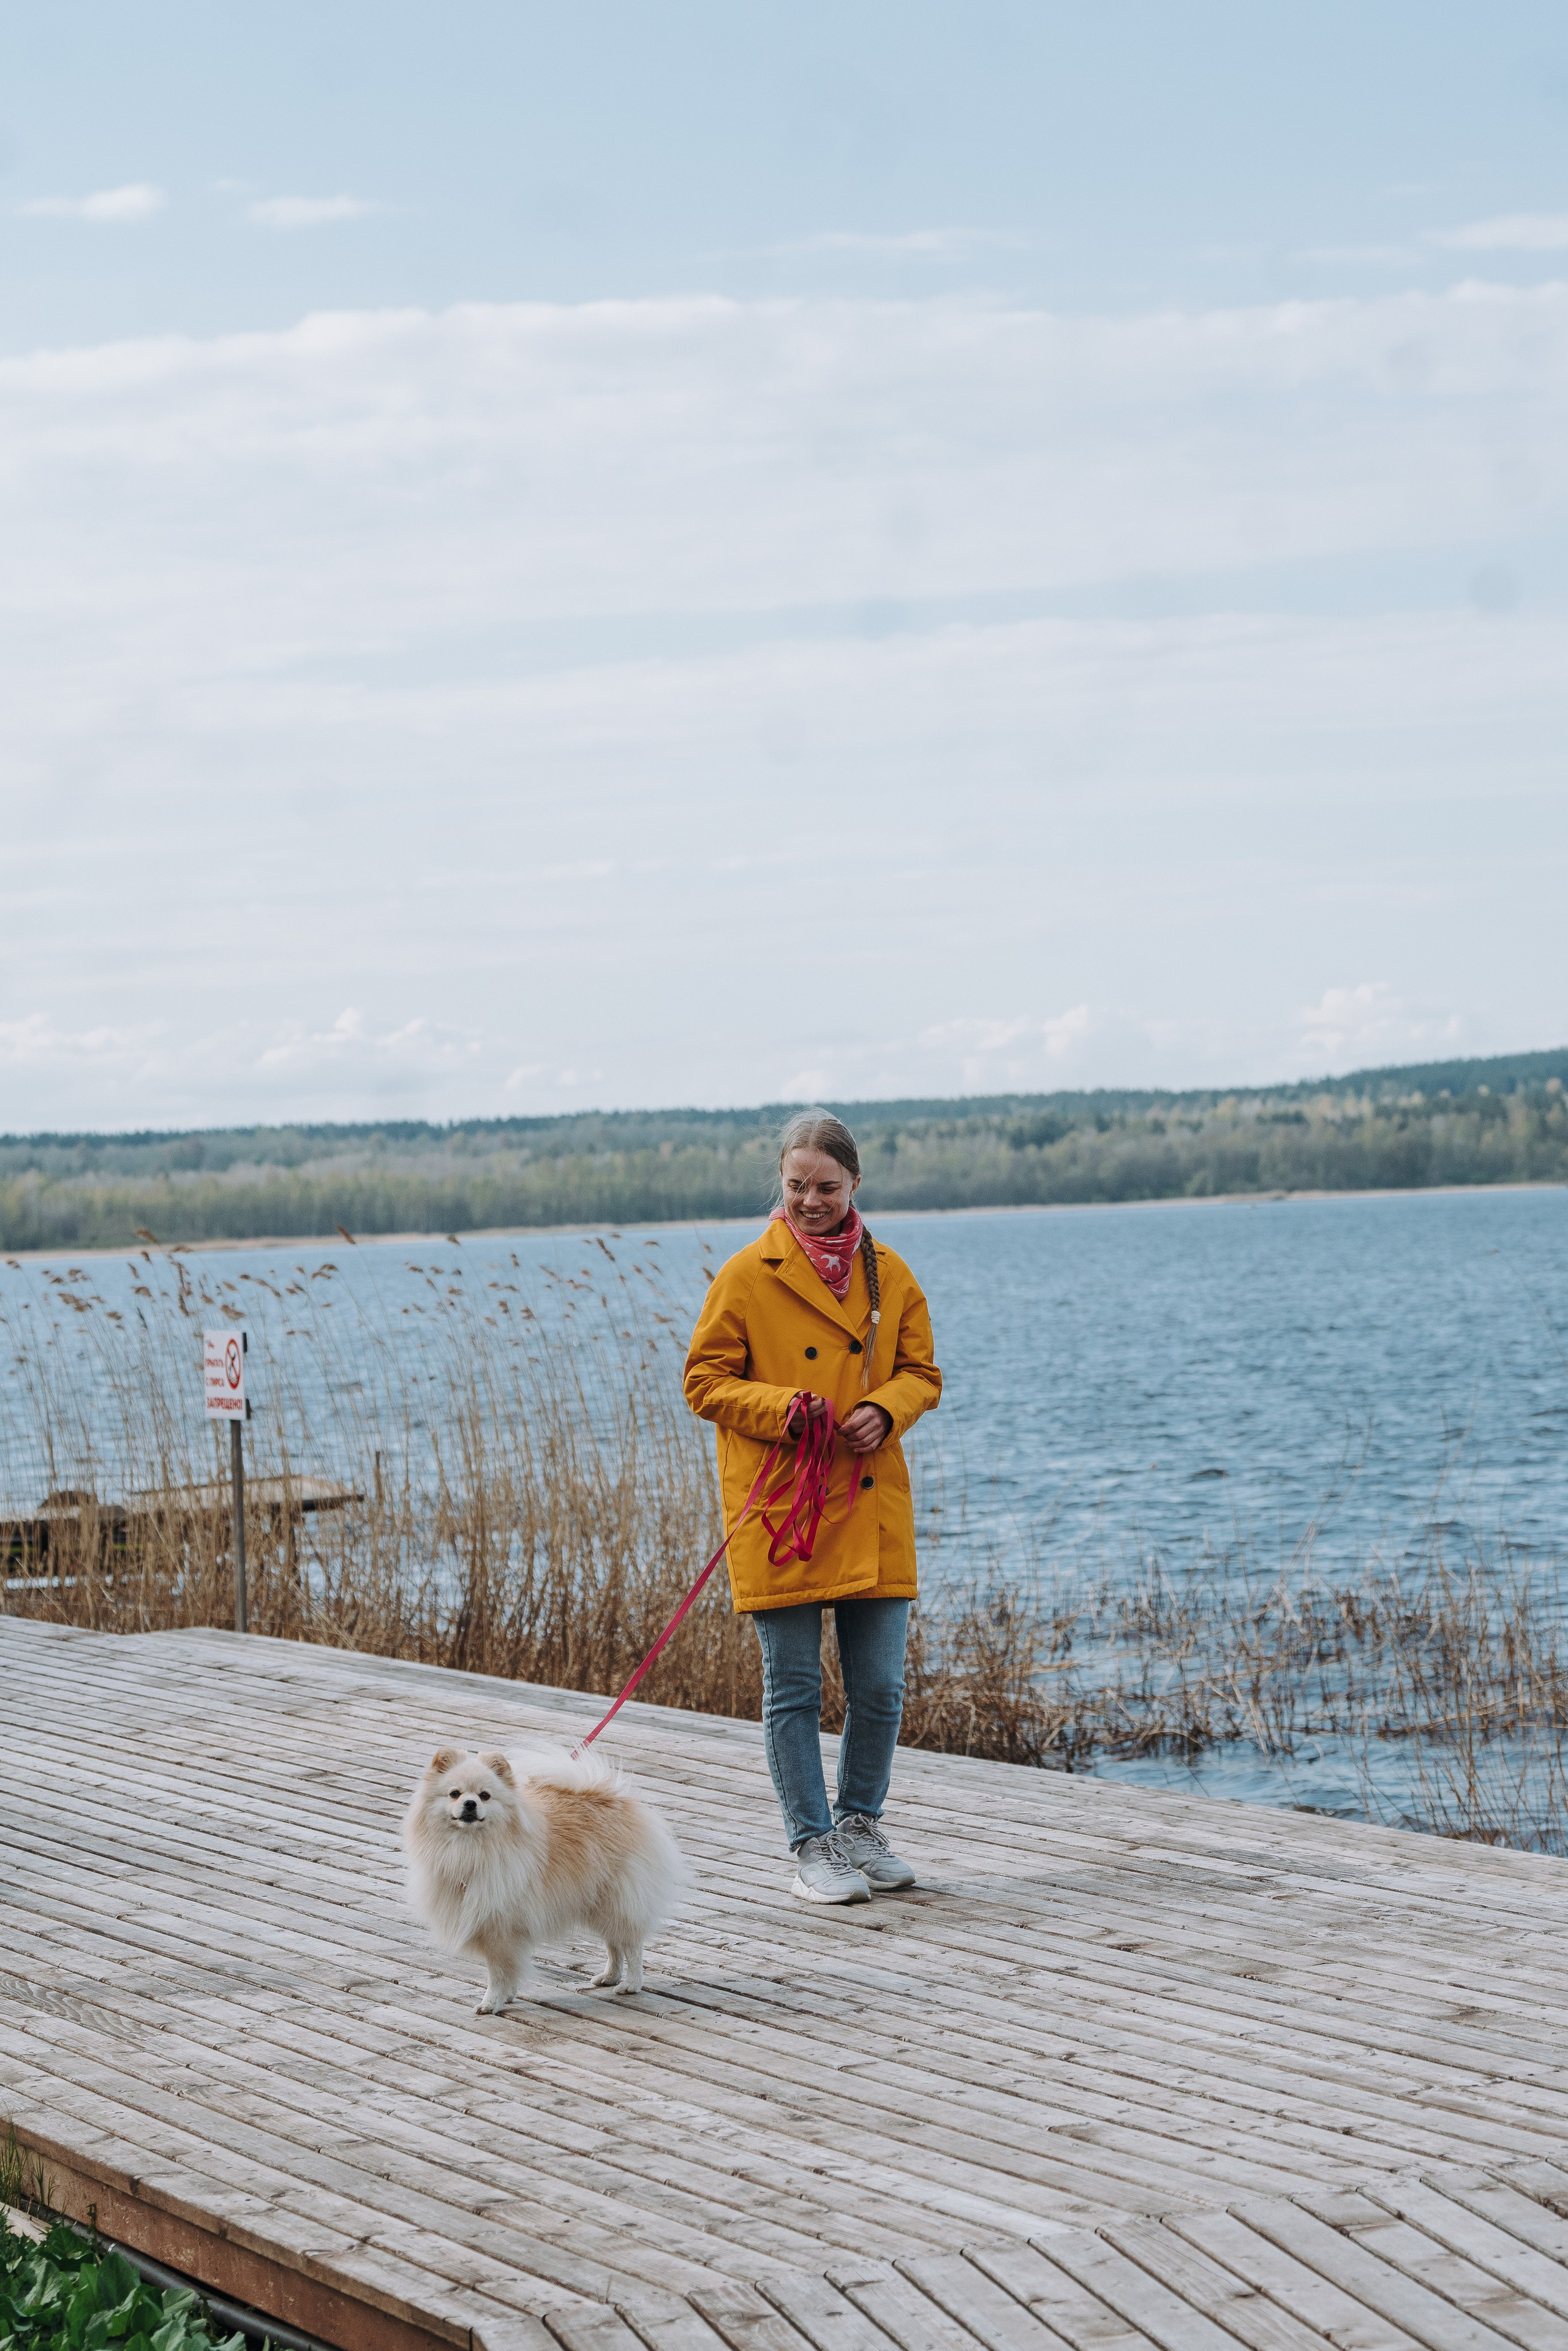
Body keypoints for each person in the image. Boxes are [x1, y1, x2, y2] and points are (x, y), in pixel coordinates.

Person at [683, 1111, 942, 1903]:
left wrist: (887, 1409)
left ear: (855, 1183)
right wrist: (783, 1407)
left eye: (826, 1186)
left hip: (869, 1500)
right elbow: (703, 1382)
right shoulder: (746, 1274)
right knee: (793, 1689)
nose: (810, 1200)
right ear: (782, 1181)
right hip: (782, 1506)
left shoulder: (889, 1271)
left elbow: (922, 1372)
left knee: (881, 1686)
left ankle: (860, 1826)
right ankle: (811, 1845)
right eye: (797, 1185)